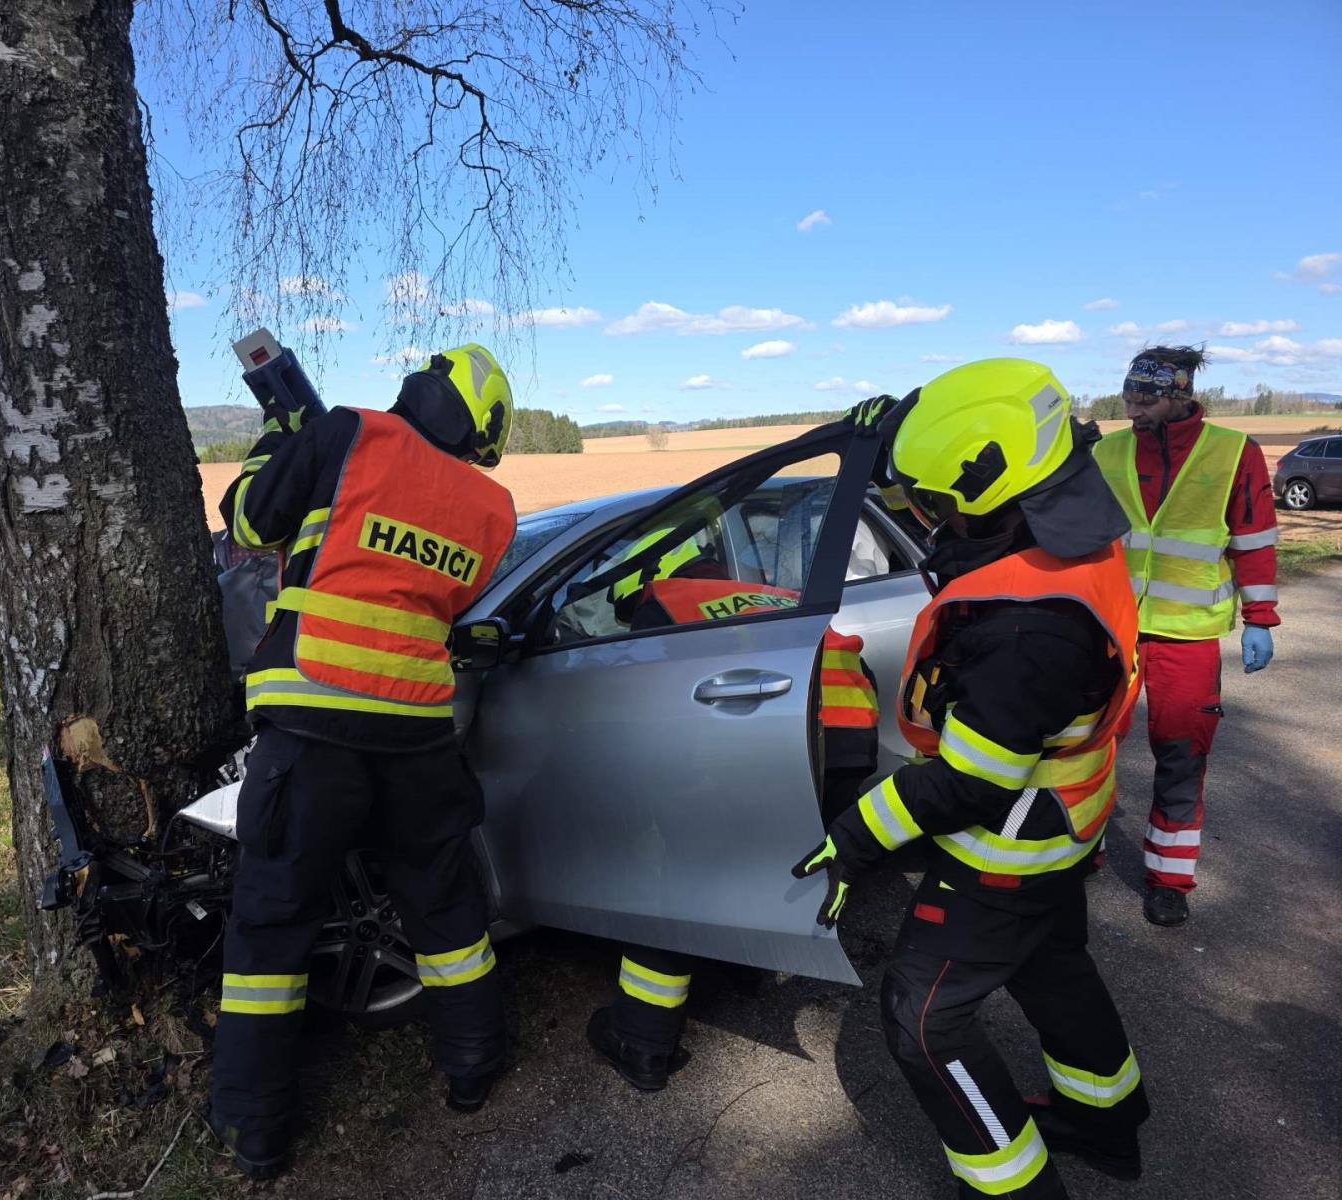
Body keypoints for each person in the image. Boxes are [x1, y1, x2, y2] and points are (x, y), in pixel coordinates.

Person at [793, 363, 1149, 1198]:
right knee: (1054, 969)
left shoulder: (1027, 632)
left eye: (933, 502)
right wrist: (885, 441)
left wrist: (853, 837)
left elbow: (967, 785)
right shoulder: (1062, 529)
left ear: (985, 490)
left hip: (1006, 848)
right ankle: (1105, 1125)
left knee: (924, 1020)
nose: (924, 516)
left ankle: (1016, 1188)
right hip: (1067, 820)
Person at [207, 345, 518, 1179]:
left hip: (312, 727)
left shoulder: (346, 433)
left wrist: (280, 436)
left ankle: (255, 1133)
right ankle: (473, 1069)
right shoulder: (494, 508)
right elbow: (444, 601)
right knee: (447, 913)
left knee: (272, 928)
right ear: (480, 431)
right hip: (418, 734)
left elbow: (244, 523)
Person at [587, 532, 880, 1091]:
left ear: (640, 581)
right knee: (767, 854)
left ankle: (643, 1043)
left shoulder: (663, 603)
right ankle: (745, 963)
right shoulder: (760, 591)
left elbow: (647, 700)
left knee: (672, 883)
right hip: (848, 735)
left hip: (791, 734)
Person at [1093, 346, 1279, 927]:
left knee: (1181, 753)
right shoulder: (1106, 451)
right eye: (1128, 396)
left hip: (1188, 636)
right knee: (1088, 744)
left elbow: (1254, 539)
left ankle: (1168, 879)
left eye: (1145, 398)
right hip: (1112, 627)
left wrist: (1260, 619)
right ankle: (1079, 852)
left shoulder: (1233, 454)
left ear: (1178, 394)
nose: (1133, 408)